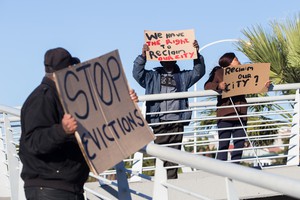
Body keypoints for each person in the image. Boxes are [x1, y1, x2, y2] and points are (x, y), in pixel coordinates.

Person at [19, 47, 139, 200]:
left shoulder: (71, 99)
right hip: (50, 189)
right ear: (65, 71)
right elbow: (32, 142)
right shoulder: (42, 98)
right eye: (72, 68)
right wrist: (61, 130)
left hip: (68, 187)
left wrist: (126, 103)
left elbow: (101, 119)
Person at [133, 40, 206, 179]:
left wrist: (196, 54)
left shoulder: (183, 76)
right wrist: (143, 56)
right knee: (160, 155)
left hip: (177, 120)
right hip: (158, 120)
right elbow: (137, 73)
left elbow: (199, 71)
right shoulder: (152, 76)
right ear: (160, 60)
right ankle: (161, 183)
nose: (168, 59)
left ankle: (171, 183)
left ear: (176, 58)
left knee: (175, 155)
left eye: (171, 56)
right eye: (164, 57)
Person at [204, 52, 270, 162]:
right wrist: (218, 86)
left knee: (239, 145)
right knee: (223, 145)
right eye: (236, 59)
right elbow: (207, 85)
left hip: (241, 114)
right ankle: (222, 170)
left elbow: (255, 84)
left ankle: (236, 169)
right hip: (225, 115)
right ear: (229, 62)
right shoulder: (219, 72)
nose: (239, 61)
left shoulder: (246, 72)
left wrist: (265, 85)